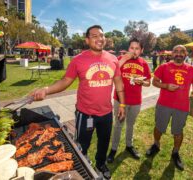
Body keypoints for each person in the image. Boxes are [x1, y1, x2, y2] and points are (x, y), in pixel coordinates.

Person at [30, 25, 125, 179]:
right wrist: (46, 90)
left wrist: (122, 104)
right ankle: (82, 164)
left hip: (106, 113)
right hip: (85, 114)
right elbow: (65, 81)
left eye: (101, 35)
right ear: (87, 40)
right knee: (81, 145)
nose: (99, 38)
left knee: (104, 142)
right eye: (94, 36)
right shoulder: (78, 60)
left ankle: (100, 164)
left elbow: (119, 82)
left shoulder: (113, 59)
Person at [146, 45, 193, 171]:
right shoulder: (164, 67)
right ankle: (156, 145)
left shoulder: (192, 69)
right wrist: (166, 86)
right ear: (172, 54)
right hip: (163, 104)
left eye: (182, 51)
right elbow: (155, 82)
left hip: (182, 107)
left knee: (178, 131)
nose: (179, 54)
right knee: (159, 127)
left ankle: (175, 153)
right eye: (176, 51)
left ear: (185, 54)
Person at [107, 38, 151, 163]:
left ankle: (129, 145)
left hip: (136, 101)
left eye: (137, 48)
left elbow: (148, 82)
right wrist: (125, 58)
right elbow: (111, 73)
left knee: (130, 124)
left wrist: (141, 81)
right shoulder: (121, 59)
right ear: (128, 49)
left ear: (141, 50)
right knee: (118, 125)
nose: (134, 51)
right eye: (132, 48)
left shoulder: (144, 63)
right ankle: (114, 149)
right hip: (120, 100)